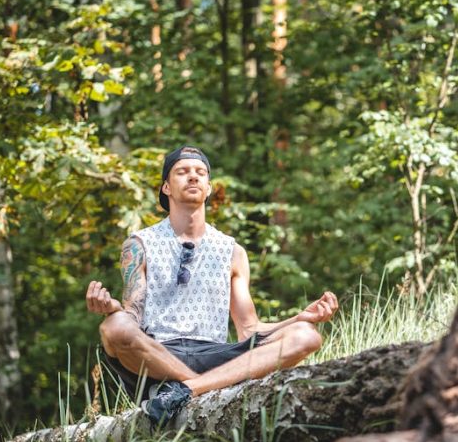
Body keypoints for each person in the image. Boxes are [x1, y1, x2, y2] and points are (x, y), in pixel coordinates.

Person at [85, 146, 338, 426]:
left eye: (200, 173)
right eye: (182, 172)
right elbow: (133, 314)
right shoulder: (139, 244)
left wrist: (299, 318)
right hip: (157, 355)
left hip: (215, 354)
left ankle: (184, 391)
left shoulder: (232, 251)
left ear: (208, 188)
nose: (192, 177)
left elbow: (249, 329)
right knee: (114, 327)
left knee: (306, 335)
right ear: (166, 187)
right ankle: (197, 386)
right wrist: (114, 308)